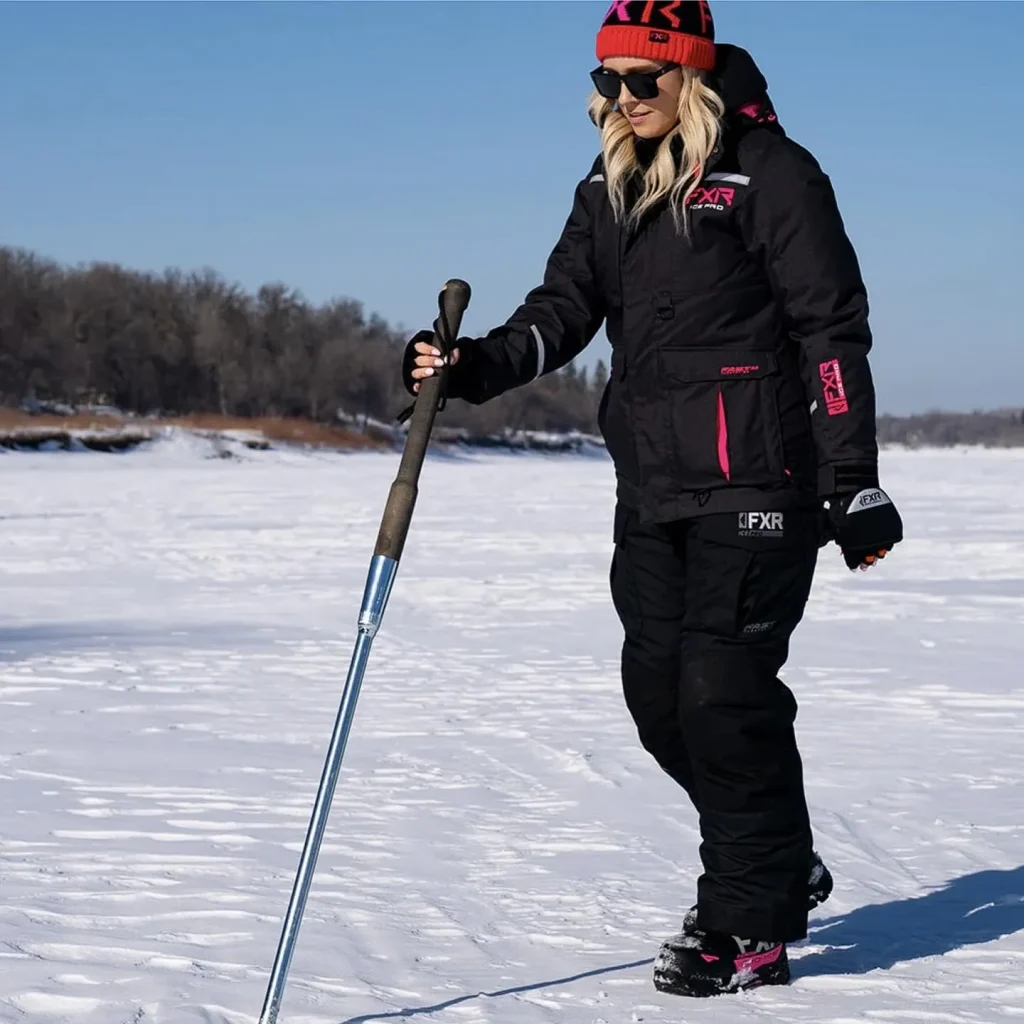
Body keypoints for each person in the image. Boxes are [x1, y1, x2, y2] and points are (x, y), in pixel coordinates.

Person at [401, 0, 903, 998]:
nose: (622, 98)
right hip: (652, 487)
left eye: (643, 79)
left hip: (761, 481)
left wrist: (853, 481)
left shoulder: (772, 174)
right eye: (608, 81)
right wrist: (469, 367)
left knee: (722, 694)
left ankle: (748, 923)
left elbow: (830, 333)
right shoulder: (609, 186)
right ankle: (774, 858)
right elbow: (561, 310)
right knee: (658, 699)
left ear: (693, 77)